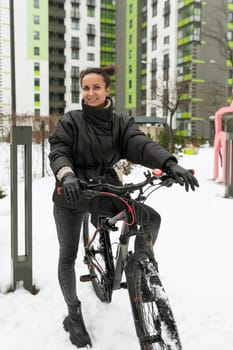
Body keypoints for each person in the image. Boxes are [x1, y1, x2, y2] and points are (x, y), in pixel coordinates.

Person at [48, 65, 199, 348]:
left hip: (107, 187)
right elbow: (59, 150)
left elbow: (139, 144)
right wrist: (67, 175)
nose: (90, 93)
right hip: (72, 192)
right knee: (67, 255)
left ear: (107, 90)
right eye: (86, 88)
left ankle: (139, 268)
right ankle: (73, 313)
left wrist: (169, 163)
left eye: (96, 87)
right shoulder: (71, 120)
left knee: (150, 219)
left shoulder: (121, 123)